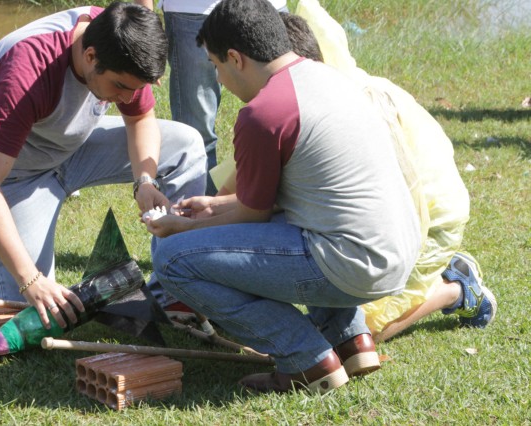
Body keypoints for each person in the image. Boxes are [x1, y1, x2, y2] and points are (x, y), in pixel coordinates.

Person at [144, 0, 421, 394]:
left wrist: (184, 226)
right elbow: (291, 197)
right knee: (296, 230)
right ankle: (352, 340)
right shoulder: (327, 77)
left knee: (172, 258)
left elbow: (254, 217)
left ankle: (305, 359)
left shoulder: (264, 112)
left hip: (351, 262)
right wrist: (215, 205)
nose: (219, 79)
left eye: (215, 66)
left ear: (236, 58)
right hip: (396, 251)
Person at [0, 2, 207, 330]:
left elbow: (140, 119)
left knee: (187, 147)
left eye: (135, 89)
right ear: (90, 57)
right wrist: (29, 279)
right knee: (32, 308)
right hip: (13, 173)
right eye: (120, 87)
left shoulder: (122, 42)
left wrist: (145, 181)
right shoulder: (26, 71)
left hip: (73, 148)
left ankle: (172, 290)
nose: (126, 98)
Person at [212, 4, 497, 342]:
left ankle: (455, 288)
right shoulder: (291, 106)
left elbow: (403, 199)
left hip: (427, 220)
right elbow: (237, 189)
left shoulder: (336, 108)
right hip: (374, 228)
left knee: (361, 331)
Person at [134, 0, 287, 196]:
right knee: (195, 137)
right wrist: (147, 26)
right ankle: (199, 216)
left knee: (282, 117)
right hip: (192, 11)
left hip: (268, 7)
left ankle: (273, 204)